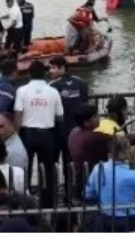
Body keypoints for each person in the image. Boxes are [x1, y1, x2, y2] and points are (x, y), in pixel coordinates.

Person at [14, 60, 63, 206]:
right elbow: (60, 116)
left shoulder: (21, 91)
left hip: (27, 134)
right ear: (45, 74)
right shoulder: (53, 92)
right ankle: (47, 202)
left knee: (24, 169)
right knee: (48, 169)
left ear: (29, 74)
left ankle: (26, 201)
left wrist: (16, 135)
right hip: (47, 134)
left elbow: (18, 114)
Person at [49, 56, 88, 200]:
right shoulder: (82, 83)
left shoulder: (53, 86)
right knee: (73, 164)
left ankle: (55, 193)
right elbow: (85, 106)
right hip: (77, 131)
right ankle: (73, 192)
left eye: (53, 68)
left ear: (62, 68)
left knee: (54, 163)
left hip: (58, 131)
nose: (50, 71)